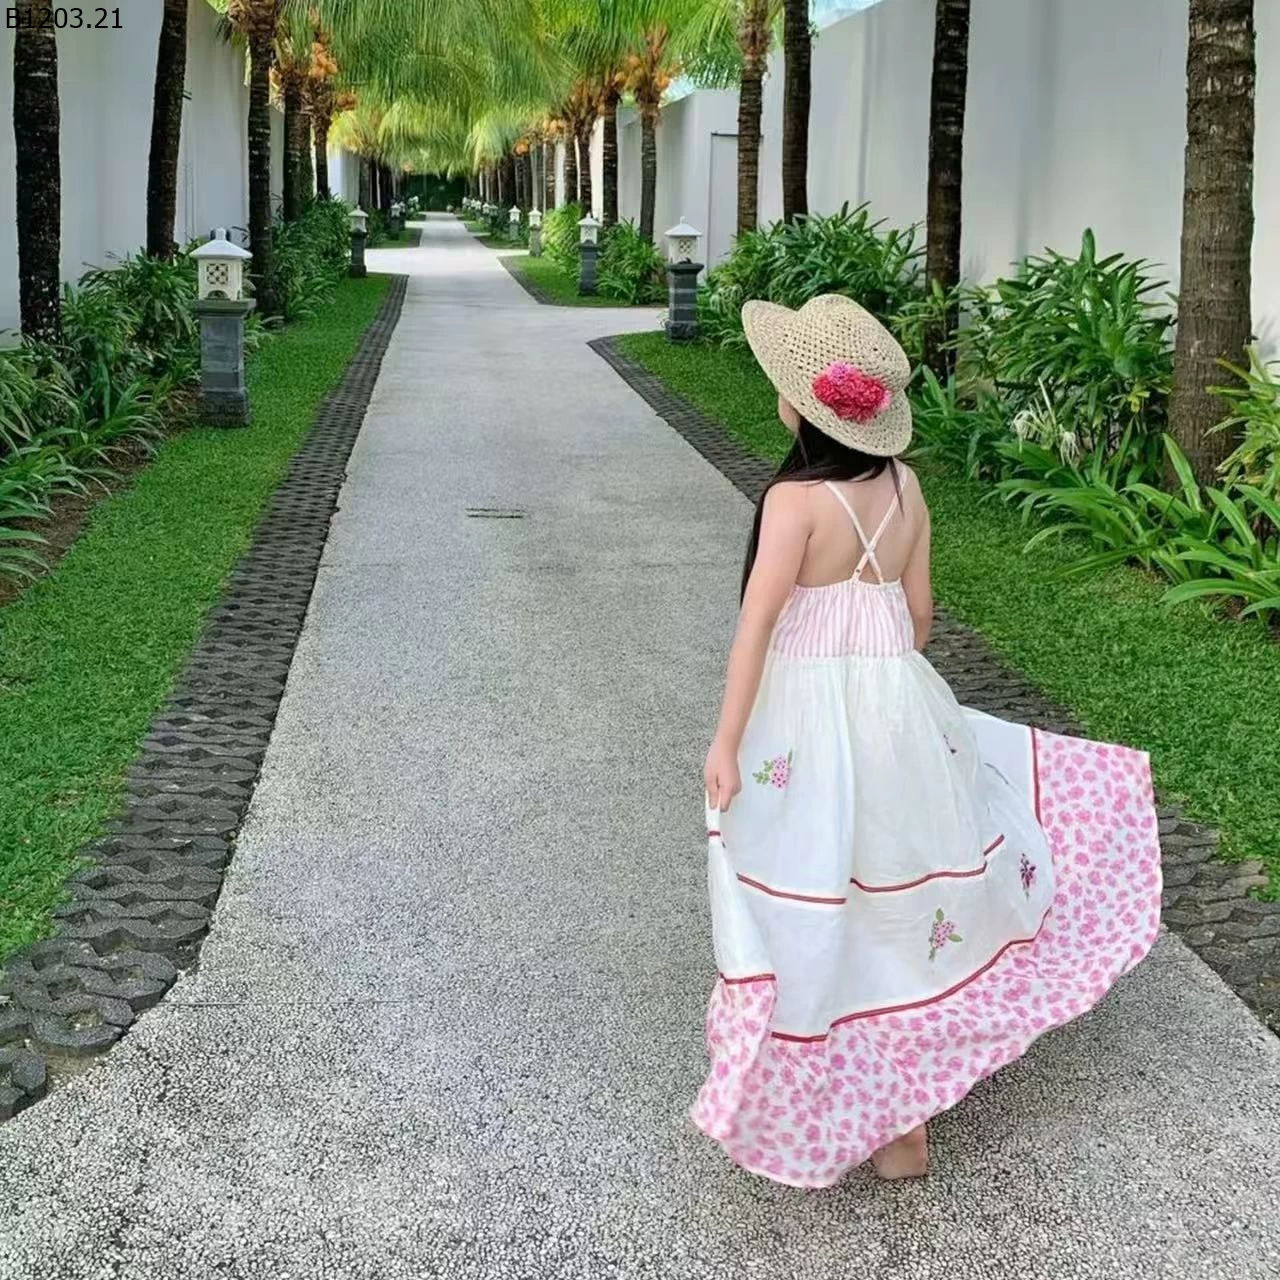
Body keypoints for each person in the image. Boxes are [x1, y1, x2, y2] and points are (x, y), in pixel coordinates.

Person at [694, 294, 1162, 1187]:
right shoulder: (906, 489)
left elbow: (755, 630)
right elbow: (918, 618)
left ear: (804, 406)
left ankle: (837, 1081)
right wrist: (880, 672)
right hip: (901, 714)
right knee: (901, 889)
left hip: (805, 723)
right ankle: (902, 1115)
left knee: (817, 881)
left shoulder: (794, 501)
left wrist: (727, 742)